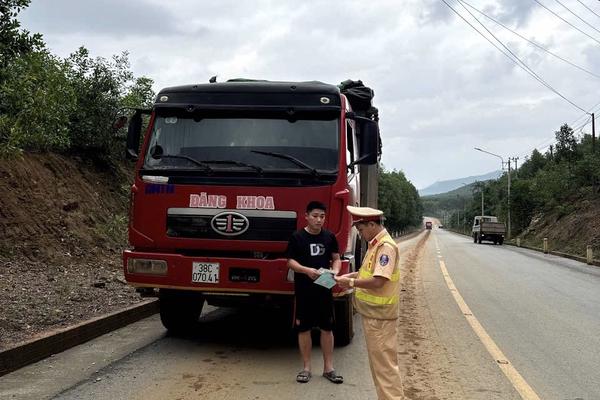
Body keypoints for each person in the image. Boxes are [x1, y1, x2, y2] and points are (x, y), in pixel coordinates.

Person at [335, 206, 404, 400]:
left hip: (380, 317)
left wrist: (349, 282)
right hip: (374, 315)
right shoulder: (376, 244)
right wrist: (352, 274)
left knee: (385, 368)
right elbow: (369, 272)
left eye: (361, 229)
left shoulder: (385, 247)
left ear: (372, 224)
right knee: (380, 367)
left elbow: (378, 281)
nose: (361, 233)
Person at [286, 200, 344, 384]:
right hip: (304, 290)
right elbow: (290, 262)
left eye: (322, 217)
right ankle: (306, 368)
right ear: (307, 216)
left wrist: (335, 271)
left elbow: (336, 258)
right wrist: (306, 270)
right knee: (304, 329)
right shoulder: (297, 237)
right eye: (315, 216)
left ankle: (329, 368)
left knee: (327, 328)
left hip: (324, 288)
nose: (319, 220)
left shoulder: (329, 237)